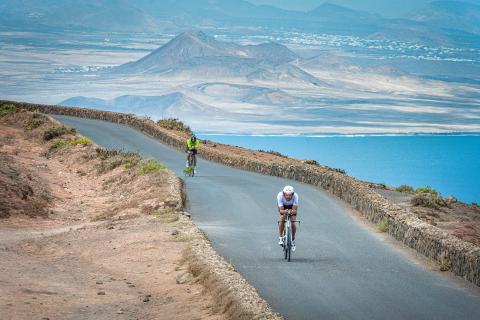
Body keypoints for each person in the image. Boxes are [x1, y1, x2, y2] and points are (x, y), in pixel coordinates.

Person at [277, 185, 298, 251]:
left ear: (292, 194)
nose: (288, 197)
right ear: (283, 194)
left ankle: (293, 240)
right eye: (286, 195)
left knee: (293, 222)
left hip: (292, 207)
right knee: (282, 219)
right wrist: (285, 212)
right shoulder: (280, 196)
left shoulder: (295, 196)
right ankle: (280, 237)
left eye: (290, 195)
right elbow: (281, 210)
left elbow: (294, 210)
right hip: (283, 207)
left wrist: (292, 212)